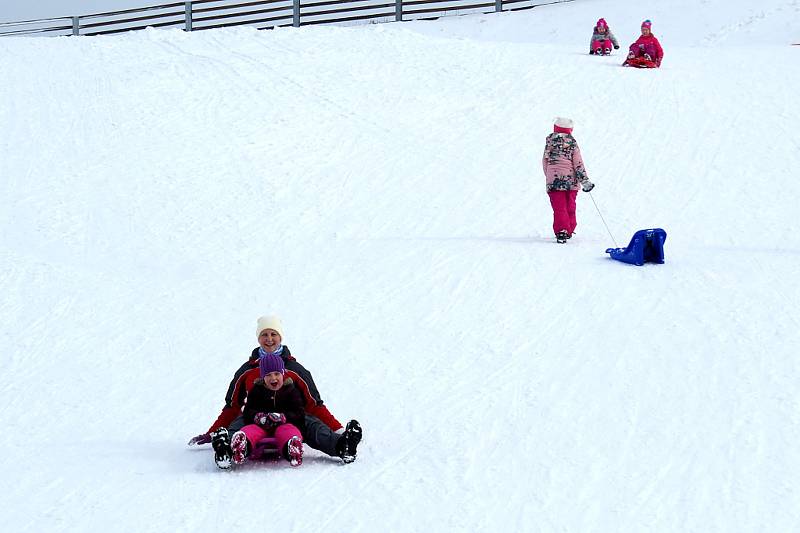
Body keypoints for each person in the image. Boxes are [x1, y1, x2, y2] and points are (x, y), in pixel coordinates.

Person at [188, 315, 362, 463]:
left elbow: (314, 405)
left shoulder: (295, 370)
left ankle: (342, 446)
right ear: (258, 338)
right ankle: (227, 449)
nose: (269, 339)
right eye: (264, 334)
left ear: (280, 337)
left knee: (310, 423)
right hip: (255, 419)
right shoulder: (247, 371)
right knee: (239, 421)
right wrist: (212, 433)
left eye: (273, 334)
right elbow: (232, 406)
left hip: (290, 419)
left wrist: (338, 430)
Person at [212, 353, 305, 469]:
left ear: (283, 374)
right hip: (261, 425)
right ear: (262, 377)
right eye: (268, 375)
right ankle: (241, 446)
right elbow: (248, 410)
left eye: (277, 374)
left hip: (284, 424)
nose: (273, 378)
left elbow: (299, 412)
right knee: (250, 430)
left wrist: (284, 417)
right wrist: (258, 417)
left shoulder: (291, 391)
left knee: (289, 431)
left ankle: (292, 448)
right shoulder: (257, 390)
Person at [541, 117, 594, 244]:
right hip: (571, 180)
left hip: (553, 180)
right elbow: (578, 162)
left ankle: (562, 230)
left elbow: (545, 161)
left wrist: (549, 176)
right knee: (570, 204)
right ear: (570, 130)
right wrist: (584, 180)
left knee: (559, 207)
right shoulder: (572, 143)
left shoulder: (550, 142)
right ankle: (569, 228)